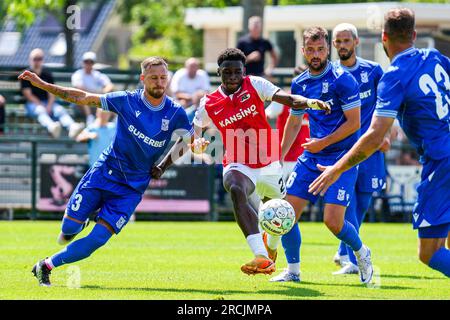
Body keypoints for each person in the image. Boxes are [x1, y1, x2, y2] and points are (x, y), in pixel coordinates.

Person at [19, 56, 195, 286]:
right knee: (69, 228)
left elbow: (189, 140)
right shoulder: (127, 101)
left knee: (98, 239)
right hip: (104, 172)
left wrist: (163, 166)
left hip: (132, 188)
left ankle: (45, 265)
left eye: (163, 77)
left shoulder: (175, 112)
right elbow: (83, 97)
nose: (159, 83)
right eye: (153, 78)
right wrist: (43, 85)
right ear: (143, 79)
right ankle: (80, 221)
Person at [309, 8, 450, 278]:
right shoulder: (435, 57)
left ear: (383, 37)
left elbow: (375, 135)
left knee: (430, 252)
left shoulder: (394, 75)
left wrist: (335, 169)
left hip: (441, 162)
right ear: (415, 35)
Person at [189, 48, 330, 276]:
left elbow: (288, 98)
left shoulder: (255, 84)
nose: (233, 76)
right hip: (238, 162)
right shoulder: (209, 102)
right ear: (219, 73)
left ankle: (272, 250)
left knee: (282, 213)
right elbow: (194, 134)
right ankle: (260, 255)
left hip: (268, 162)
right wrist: (197, 143)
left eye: (237, 72)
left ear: (244, 72)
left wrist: (310, 102)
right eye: (227, 72)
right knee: (236, 188)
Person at [269, 27, 374, 284]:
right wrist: (279, 157)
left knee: (333, 222)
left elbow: (354, 123)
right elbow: (294, 123)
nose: (315, 55)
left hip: (342, 158)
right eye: (310, 50)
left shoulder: (343, 79)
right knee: (285, 215)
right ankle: (293, 271)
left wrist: (323, 142)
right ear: (303, 51)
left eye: (320, 49)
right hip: (311, 158)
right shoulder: (299, 82)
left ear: (327, 49)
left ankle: (362, 253)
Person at [331, 23, 390, 275]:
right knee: (349, 202)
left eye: (346, 40)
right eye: (338, 41)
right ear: (334, 45)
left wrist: (385, 133)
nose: (342, 45)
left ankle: (345, 250)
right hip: (342, 150)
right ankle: (354, 259)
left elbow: (387, 103)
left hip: (370, 147)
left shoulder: (373, 71)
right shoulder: (329, 74)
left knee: (364, 201)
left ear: (356, 42)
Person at [20, 48, 84, 139]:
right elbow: (28, 94)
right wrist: (41, 104)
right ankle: (52, 127)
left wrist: (49, 105)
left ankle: (72, 127)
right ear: (30, 60)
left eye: (40, 58)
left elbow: (52, 92)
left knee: (59, 110)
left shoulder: (47, 73)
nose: (37, 61)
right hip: (33, 104)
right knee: (40, 110)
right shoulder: (26, 74)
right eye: (35, 59)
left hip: (48, 102)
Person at [71, 51, 114, 126]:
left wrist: (102, 93)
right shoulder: (78, 74)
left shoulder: (98, 75)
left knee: (111, 100)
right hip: (81, 104)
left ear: (93, 63)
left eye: (91, 62)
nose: (88, 64)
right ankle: (89, 117)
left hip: (96, 102)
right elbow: (79, 88)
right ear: (83, 62)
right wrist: (97, 93)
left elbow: (110, 86)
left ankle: (113, 122)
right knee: (82, 96)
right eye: (86, 61)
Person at [170, 57, 210, 121]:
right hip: (183, 101)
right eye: (191, 67)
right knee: (182, 104)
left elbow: (207, 92)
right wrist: (192, 97)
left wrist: (197, 98)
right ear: (186, 67)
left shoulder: (202, 74)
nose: (193, 69)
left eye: (195, 67)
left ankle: (203, 125)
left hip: (199, 102)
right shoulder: (179, 74)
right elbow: (176, 93)